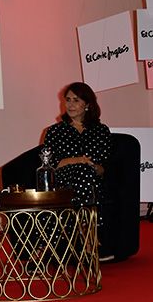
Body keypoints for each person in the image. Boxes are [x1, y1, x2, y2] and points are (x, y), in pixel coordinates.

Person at [43, 82, 111, 214]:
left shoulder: (101, 131)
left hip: (92, 179)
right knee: (83, 173)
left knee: (87, 174)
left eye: (76, 100)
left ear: (87, 104)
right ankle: (86, 224)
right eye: (67, 100)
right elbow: (50, 165)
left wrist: (94, 167)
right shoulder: (55, 131)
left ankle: (81, 223)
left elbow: (105, 166)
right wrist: (79, 160)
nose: (70, 104)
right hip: (63, 180)